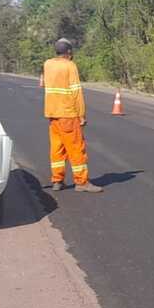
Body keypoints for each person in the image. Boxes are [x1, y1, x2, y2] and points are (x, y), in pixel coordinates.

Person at [40, 39, 102, 193]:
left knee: (57, 149)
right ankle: (82, 182)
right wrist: (81, 115)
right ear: (69, 52)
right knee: (76, 149)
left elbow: (42, 83)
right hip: (68, 114)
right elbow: (76, 92)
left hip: (52, 114)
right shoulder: (70, 66)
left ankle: (57, 180)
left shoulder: (48, 64)